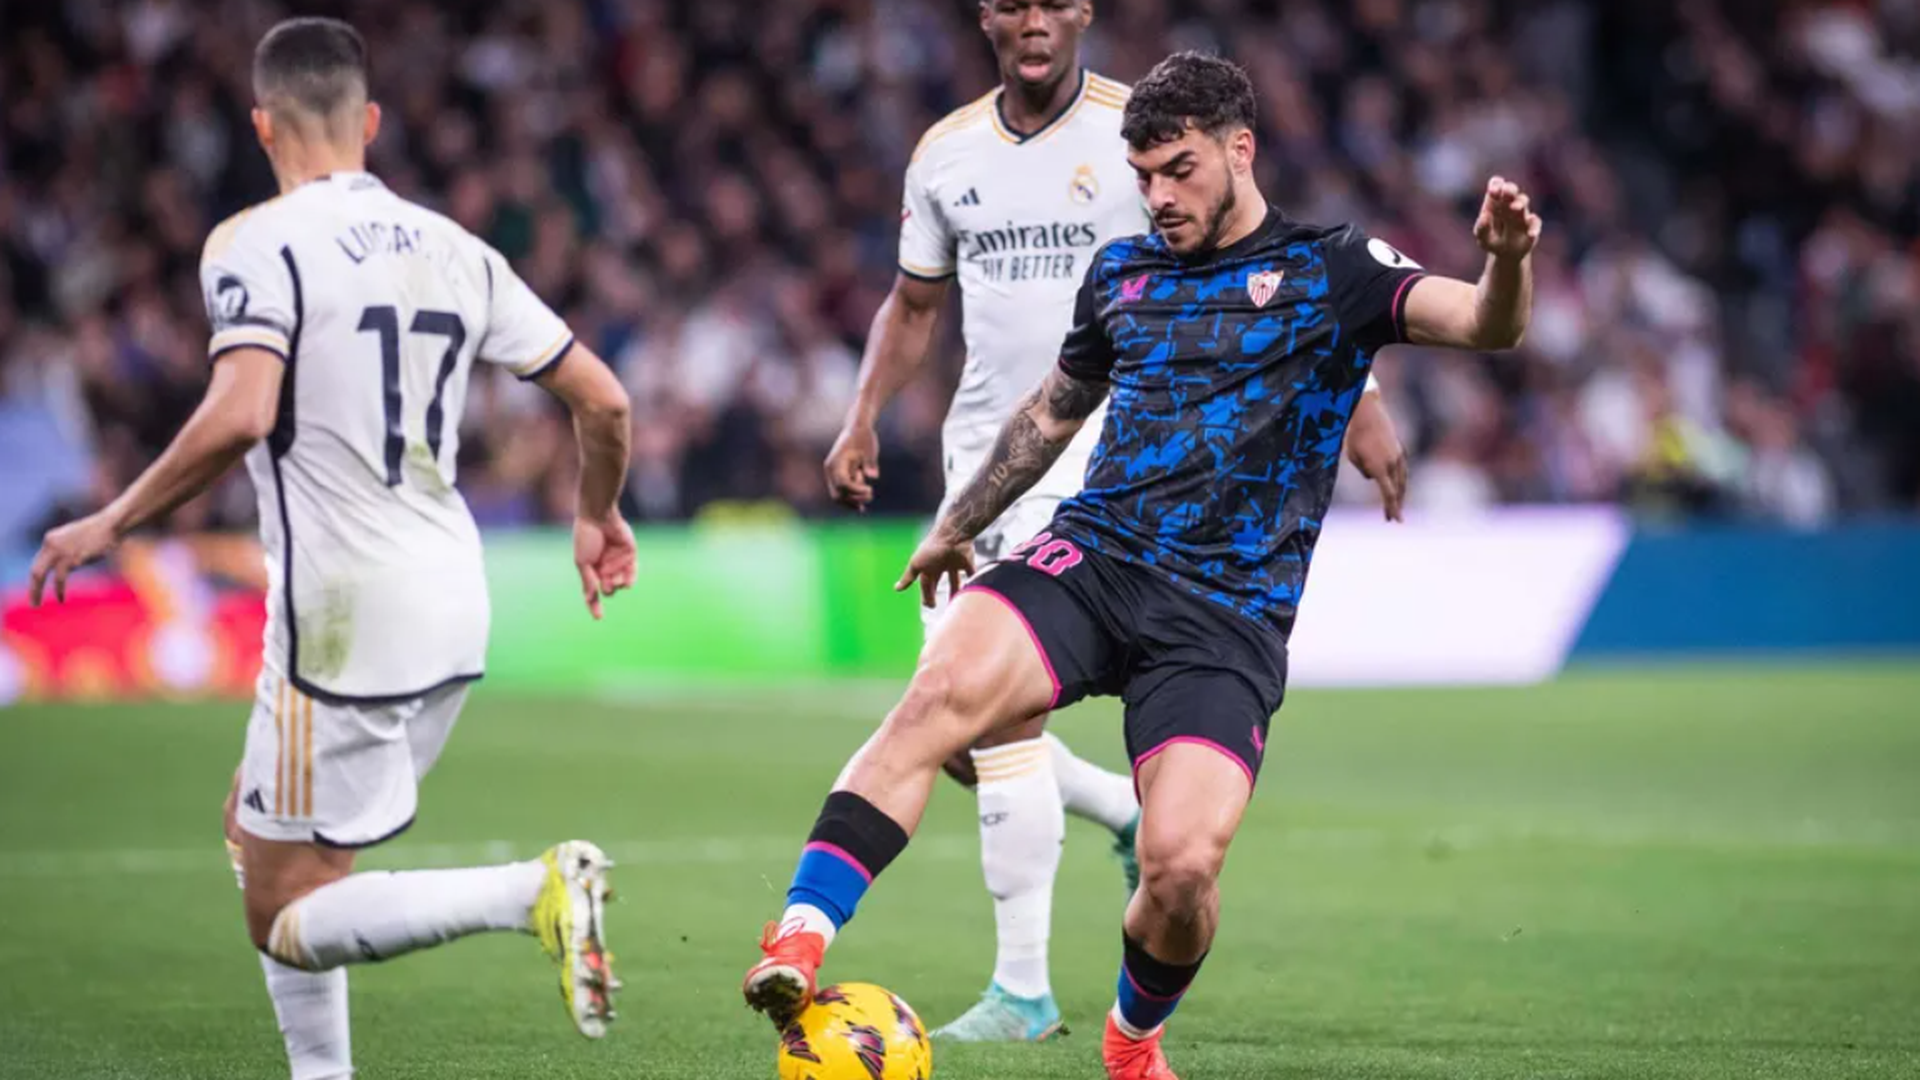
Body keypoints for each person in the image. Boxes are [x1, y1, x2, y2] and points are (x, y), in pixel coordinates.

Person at [747, 50, 1537, 1080]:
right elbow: (1051, 413)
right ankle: (799, 938)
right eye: (1144, 176)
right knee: (936, 696)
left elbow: (1485, 324)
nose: (1158, 196)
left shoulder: (1334, 267)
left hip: (1226, 615)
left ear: (1240, 150)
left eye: (1179, 171)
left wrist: (1506, 261)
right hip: (1097, 558)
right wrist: (959, 520)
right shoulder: (1123, 273)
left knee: (1181, 870)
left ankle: (1129, 1043)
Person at [28, 18, 637, 1079]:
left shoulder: (253, 243)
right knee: (265, 831)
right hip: (455, 600)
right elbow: (606, 400)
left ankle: (532, 889)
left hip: (342, 616)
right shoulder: (460, 248)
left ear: (263, 126)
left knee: (281, 912)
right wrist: (598, 513)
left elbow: (240, 411)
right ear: (372, 122)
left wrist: (113, 518)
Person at [823, 1, 1412, 1042]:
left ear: (1081, 12)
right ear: (985, 17)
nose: (1032, 21)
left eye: (1051, 1)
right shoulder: (944, 154)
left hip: (1121, 470)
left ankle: (1023, 988)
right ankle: (1118, 811)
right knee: (958, 738)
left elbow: (1268, 286)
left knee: (994, 728)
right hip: (995, 454)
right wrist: (864, 414)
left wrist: (1357, 397)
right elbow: (914, 306)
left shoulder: (1139, 127)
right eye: (1011, 3)